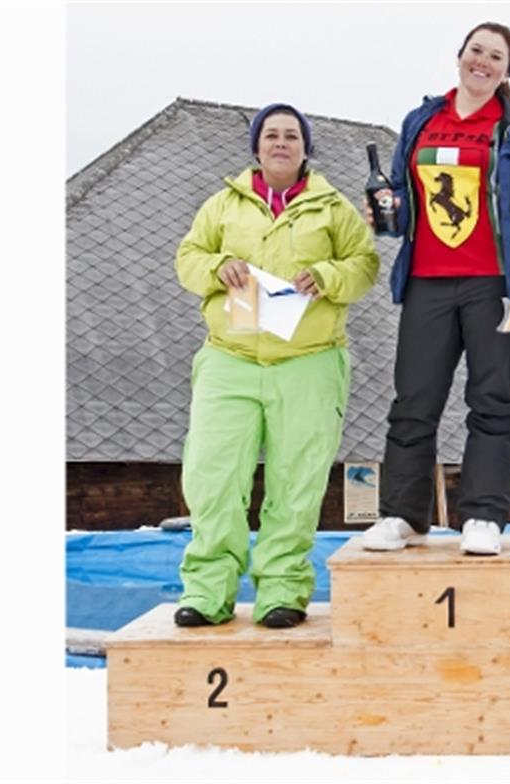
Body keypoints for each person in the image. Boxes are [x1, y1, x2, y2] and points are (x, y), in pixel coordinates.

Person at [173, 103, 379, 628]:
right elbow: (188, 259)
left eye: (291, 135)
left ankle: (282, 591)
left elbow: (365, 265)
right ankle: (207, 591)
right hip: (230, 357)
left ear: (306, 147)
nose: (281, 143)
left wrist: (328, 276)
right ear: (256, 147)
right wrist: (219, 266)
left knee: (297, 480)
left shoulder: (333, 209)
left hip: (309, 361)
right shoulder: (223, 205)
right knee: (213, 476)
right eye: (271, 135)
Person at [359, 21, 510, 556]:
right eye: (476, 50)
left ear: (507, 71)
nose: (483, 62)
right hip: (427, 280)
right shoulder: (422, 120)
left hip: (495, 284)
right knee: (413, 398)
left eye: (496, 57)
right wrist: (388, 213)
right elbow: (404, 204)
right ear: (459, 56)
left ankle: (483, 516)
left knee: (492, 399)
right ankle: (403, 515)